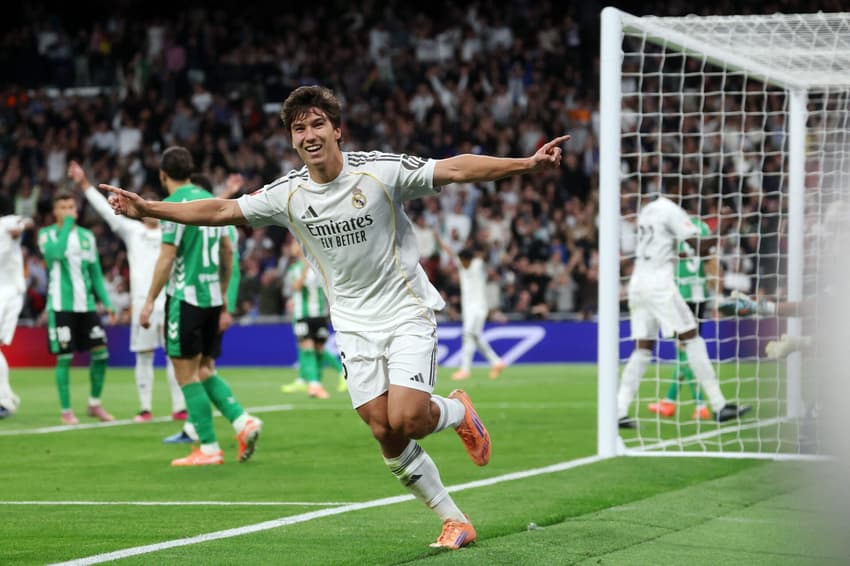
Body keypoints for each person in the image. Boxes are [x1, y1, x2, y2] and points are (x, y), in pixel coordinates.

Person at [104, 85, 569, 548]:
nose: (309, 134)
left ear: (337, 130)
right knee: (383, 428)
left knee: (408, 418)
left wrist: (525, 164)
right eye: (299, 128)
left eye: (317, 124)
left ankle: (458, 410)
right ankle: (454, 519)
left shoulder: (379, 172)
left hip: (405, 310)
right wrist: (147, 208)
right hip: (351, 324)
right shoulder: (288, 194)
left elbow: (454, 168)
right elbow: (223, 208)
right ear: (292, 140)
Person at [137, 147, 262, 465]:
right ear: (190, 172)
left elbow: (167, 258)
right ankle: (242, 421)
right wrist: (223, 295)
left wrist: (149, 301)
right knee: (204, 368)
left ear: (163, 175)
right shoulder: (211, 201)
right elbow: (228, 251)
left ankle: (208, 447)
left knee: (186, 375)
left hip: (186, 298)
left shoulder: (172, 206)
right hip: (212, 299)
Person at [618, 191, 751, 429]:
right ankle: (719, 405)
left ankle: (619, 411)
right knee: (692, 338)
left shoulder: (648, 210)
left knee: (643, 349)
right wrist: (723, 226)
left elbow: (671, 248)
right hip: (660, 285)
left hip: (638, 282)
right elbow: (699, 247)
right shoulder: (672, 211)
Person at [68, 161, 187, 423]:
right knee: (144, 356)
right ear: (141, 210)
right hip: (143, 304)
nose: (150, 211)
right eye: (147, 206)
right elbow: (105, 211)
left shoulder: (173, 230)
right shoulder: (133, 232)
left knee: (175, 356)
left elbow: (202, 211)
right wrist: (84, 184)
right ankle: (145, 408)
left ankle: (180, 407)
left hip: (170, 301)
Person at [38, 192, 114, 424]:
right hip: (61, 306)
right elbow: (55, 254)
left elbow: (96, 273)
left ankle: (94, 404)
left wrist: (107, 302)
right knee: (65, 358)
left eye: (71, 206)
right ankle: (66, 411)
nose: (69, 211)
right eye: (63, 207)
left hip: (87, 306)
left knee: (101, 354)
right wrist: (67, 226)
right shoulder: (47, 234)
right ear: (55, 211)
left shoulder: (86, 236)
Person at [647, 215, 718, 420]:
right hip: (700, 295)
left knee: (683, 350)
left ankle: (701, 405)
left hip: (680, 295)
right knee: (686, 350)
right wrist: (716, 292)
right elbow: (711, 261)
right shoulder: (702, 227)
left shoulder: (671, 225)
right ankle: (669, 402)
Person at [434, 232, 506, 380]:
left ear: (469, 259)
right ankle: (496, 362)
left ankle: (465, 370)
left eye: (463, 261)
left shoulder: (478, 264)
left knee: (468, 334)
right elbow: (449, 251)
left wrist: (486, 242)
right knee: (475, 336)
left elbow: (486, 255)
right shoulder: (462, 265)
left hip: (478, 307)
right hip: (468, 308)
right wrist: (437, 238)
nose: (461, 263)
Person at [280, 239, 346, 398]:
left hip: (319, 315)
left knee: (319, 350)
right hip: (303, 316)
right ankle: (313, 384)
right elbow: (296, 287)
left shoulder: (318, 267)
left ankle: (329, 377)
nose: (293, 247)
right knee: (308, 348)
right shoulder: (295, 268)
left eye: (295, 244)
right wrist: (305, 269)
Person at [0, 214, 32, 417]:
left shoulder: (5, 223)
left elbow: (28, 220)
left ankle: (6, 400)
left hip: (9, 292)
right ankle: (7, 397)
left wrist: (20, 227)